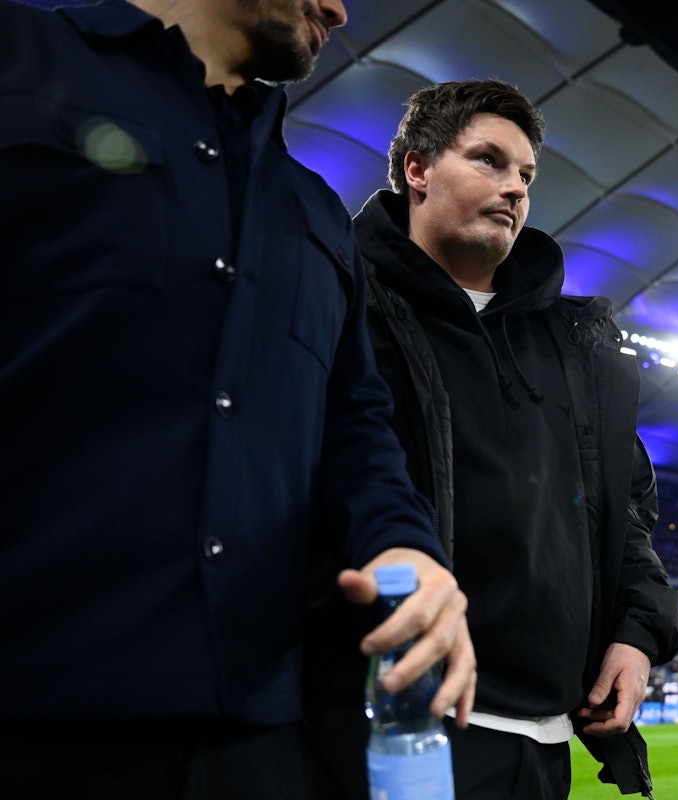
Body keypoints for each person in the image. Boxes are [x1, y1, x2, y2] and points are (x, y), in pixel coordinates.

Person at [0, 2, 476, 798]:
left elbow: (355, 425)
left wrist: (404, 545)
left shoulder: (317, 211)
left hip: (254, 745)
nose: (339, 8)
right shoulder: (17, 58)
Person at [308, 79, 678, 800]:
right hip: (394, 729)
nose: (513, 187)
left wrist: (636, 636)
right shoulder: (342, 305)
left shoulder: (579, 348)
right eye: (487, 160)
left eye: (525, 175)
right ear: (416, 169)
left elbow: (624, 515)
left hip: (545, 743)